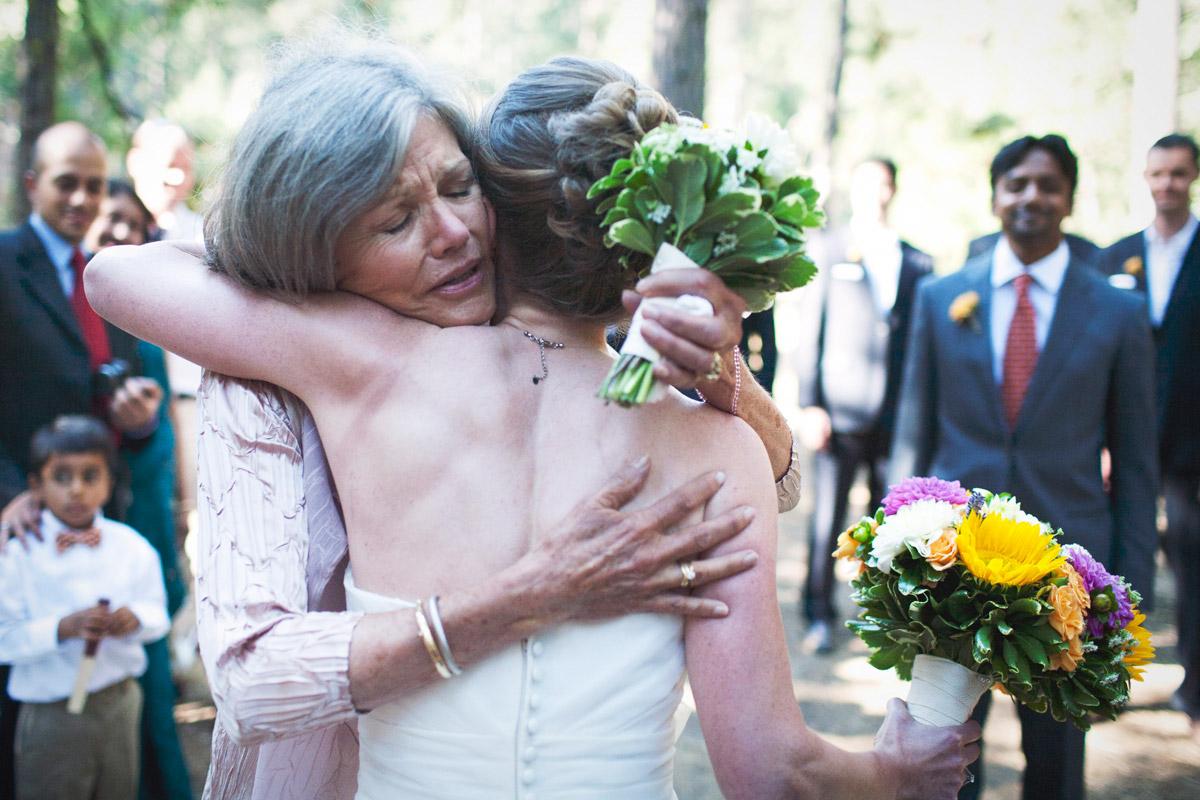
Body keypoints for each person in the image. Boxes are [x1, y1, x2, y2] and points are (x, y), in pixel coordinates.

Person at [88, 46, 979, 799]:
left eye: (457, 189)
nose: (443, 232)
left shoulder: (360, 364)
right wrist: (893, 772)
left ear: (498, 212)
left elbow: (117, 275)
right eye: (398, 217)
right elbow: (770, 772)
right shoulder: (715, 449)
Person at [890, 133, 1159, 800]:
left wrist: (1128, 602)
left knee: (1058, 768)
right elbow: (911, 435)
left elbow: (1135, 466)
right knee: (940, 759)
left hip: (1067, 580)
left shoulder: (1119, 312)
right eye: (1016, 183)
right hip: (951, 574)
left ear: (1069, 198)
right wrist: (892, 557)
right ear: (995, 198)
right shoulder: (939, 298)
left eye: (1047, 184)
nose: (1031, 196)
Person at [0, 122, 165, 800]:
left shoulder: (109, 277)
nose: (82, 198)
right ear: (34, 183)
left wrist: (140, 424)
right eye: (68, 181)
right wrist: (9, 492)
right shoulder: (5, 265)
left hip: (102, 519)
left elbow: (107, 398)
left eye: (95, 184)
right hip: (25, 525)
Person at [781, 157, 933, 654]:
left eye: (884, 184)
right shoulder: (829, 250)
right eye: (866, 183)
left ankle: (886, 617)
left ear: (894, 190)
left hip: (898, 419)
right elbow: (811, 332)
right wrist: (809, 404)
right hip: (839, 413)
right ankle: (819, 614)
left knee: (895, 524)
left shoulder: (919, 262)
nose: (876, 193)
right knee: (828, 519)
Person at [82, 179, 195, 800]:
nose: (120, 231)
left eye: (132, 222)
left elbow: (169, 428)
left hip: (144, 508)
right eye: (108, 220)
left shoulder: (149, 328)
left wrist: (178, 506)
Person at [0, 415, 170, 800]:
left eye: (90, 476)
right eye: (61, 477)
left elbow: (157, 615)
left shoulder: (132, 547)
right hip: (51, 713)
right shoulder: (16, 556)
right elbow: (3, 638)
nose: (76, 490)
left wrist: (135, 619)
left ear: (110, 482)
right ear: (35, 486)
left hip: (121, 702)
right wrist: (61, 627)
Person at [1097, 132, 1200, 731]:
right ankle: (1111, 669)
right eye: (1159, 174)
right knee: (1119, 557)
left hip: (1192, 447)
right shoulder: (1115, 258)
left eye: (1179, 174)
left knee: (1193, 566)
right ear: (1145, 177)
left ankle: (1195, 681)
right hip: (1124, 443)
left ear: (1192, 178)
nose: (1168, 184)